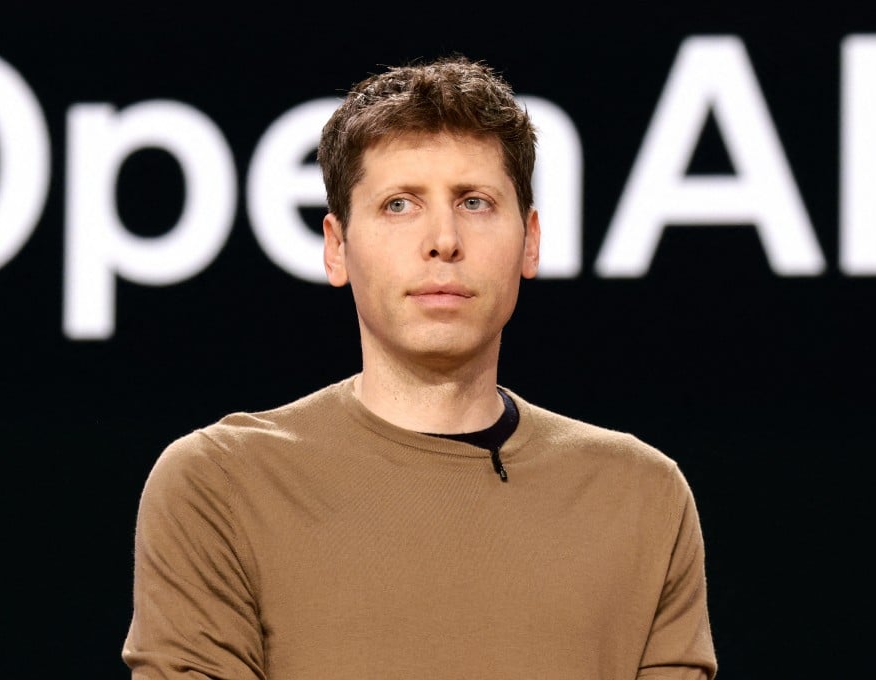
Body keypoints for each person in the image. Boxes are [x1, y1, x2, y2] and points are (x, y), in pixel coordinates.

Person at [122, 54, 717, 679]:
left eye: (476, 203)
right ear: (336, 247)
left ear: (531, 240)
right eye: (400, 204)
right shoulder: (222, 485)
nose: (443, 239)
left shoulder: (641, 498)